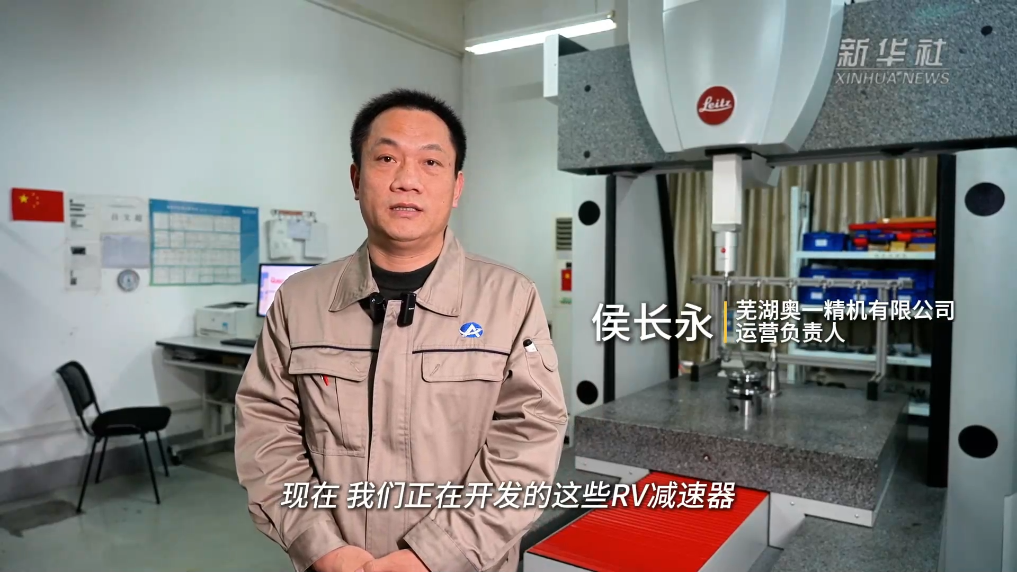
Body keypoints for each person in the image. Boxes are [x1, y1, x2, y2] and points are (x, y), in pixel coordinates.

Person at [235, 88, 568, 572]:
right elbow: (267, 430)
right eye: (387, 158)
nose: (407, 180)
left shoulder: (510, 300)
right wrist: (318, 544)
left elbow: (528, 441)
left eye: (431, 163)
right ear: (356, 178)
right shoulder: (299, 301)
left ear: (456, 187)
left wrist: (437, 555)